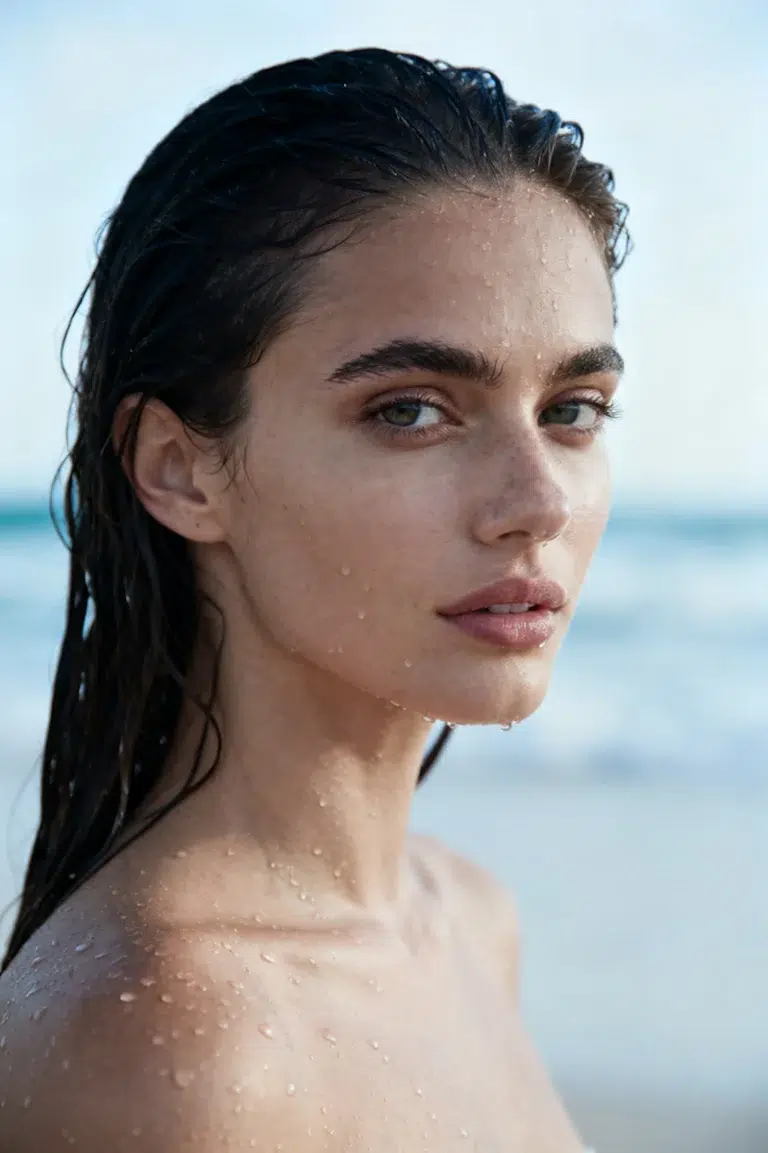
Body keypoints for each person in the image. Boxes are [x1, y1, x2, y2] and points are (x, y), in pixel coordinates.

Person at [0, 48, 629, 1152]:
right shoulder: (163, 1047)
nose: (535, 501)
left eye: (573, 407)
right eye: (411, 412)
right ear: (181, 469)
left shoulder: (470, 919)